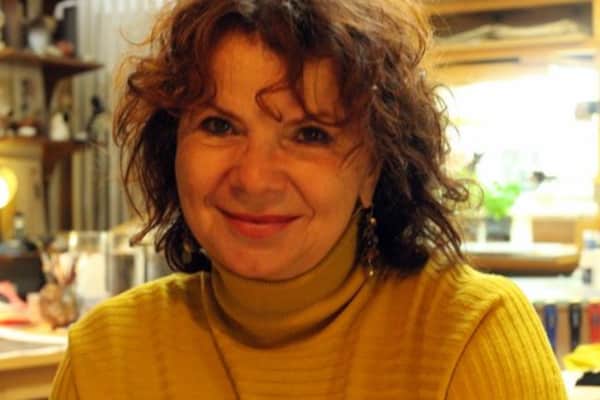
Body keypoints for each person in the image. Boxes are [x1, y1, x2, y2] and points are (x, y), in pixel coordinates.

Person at [51, 0, 566, 399]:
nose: (254, 179)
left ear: (373, 169)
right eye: (220, 126)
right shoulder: (105, 356)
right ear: (173, 148)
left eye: (310, 134)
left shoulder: (472, 335)